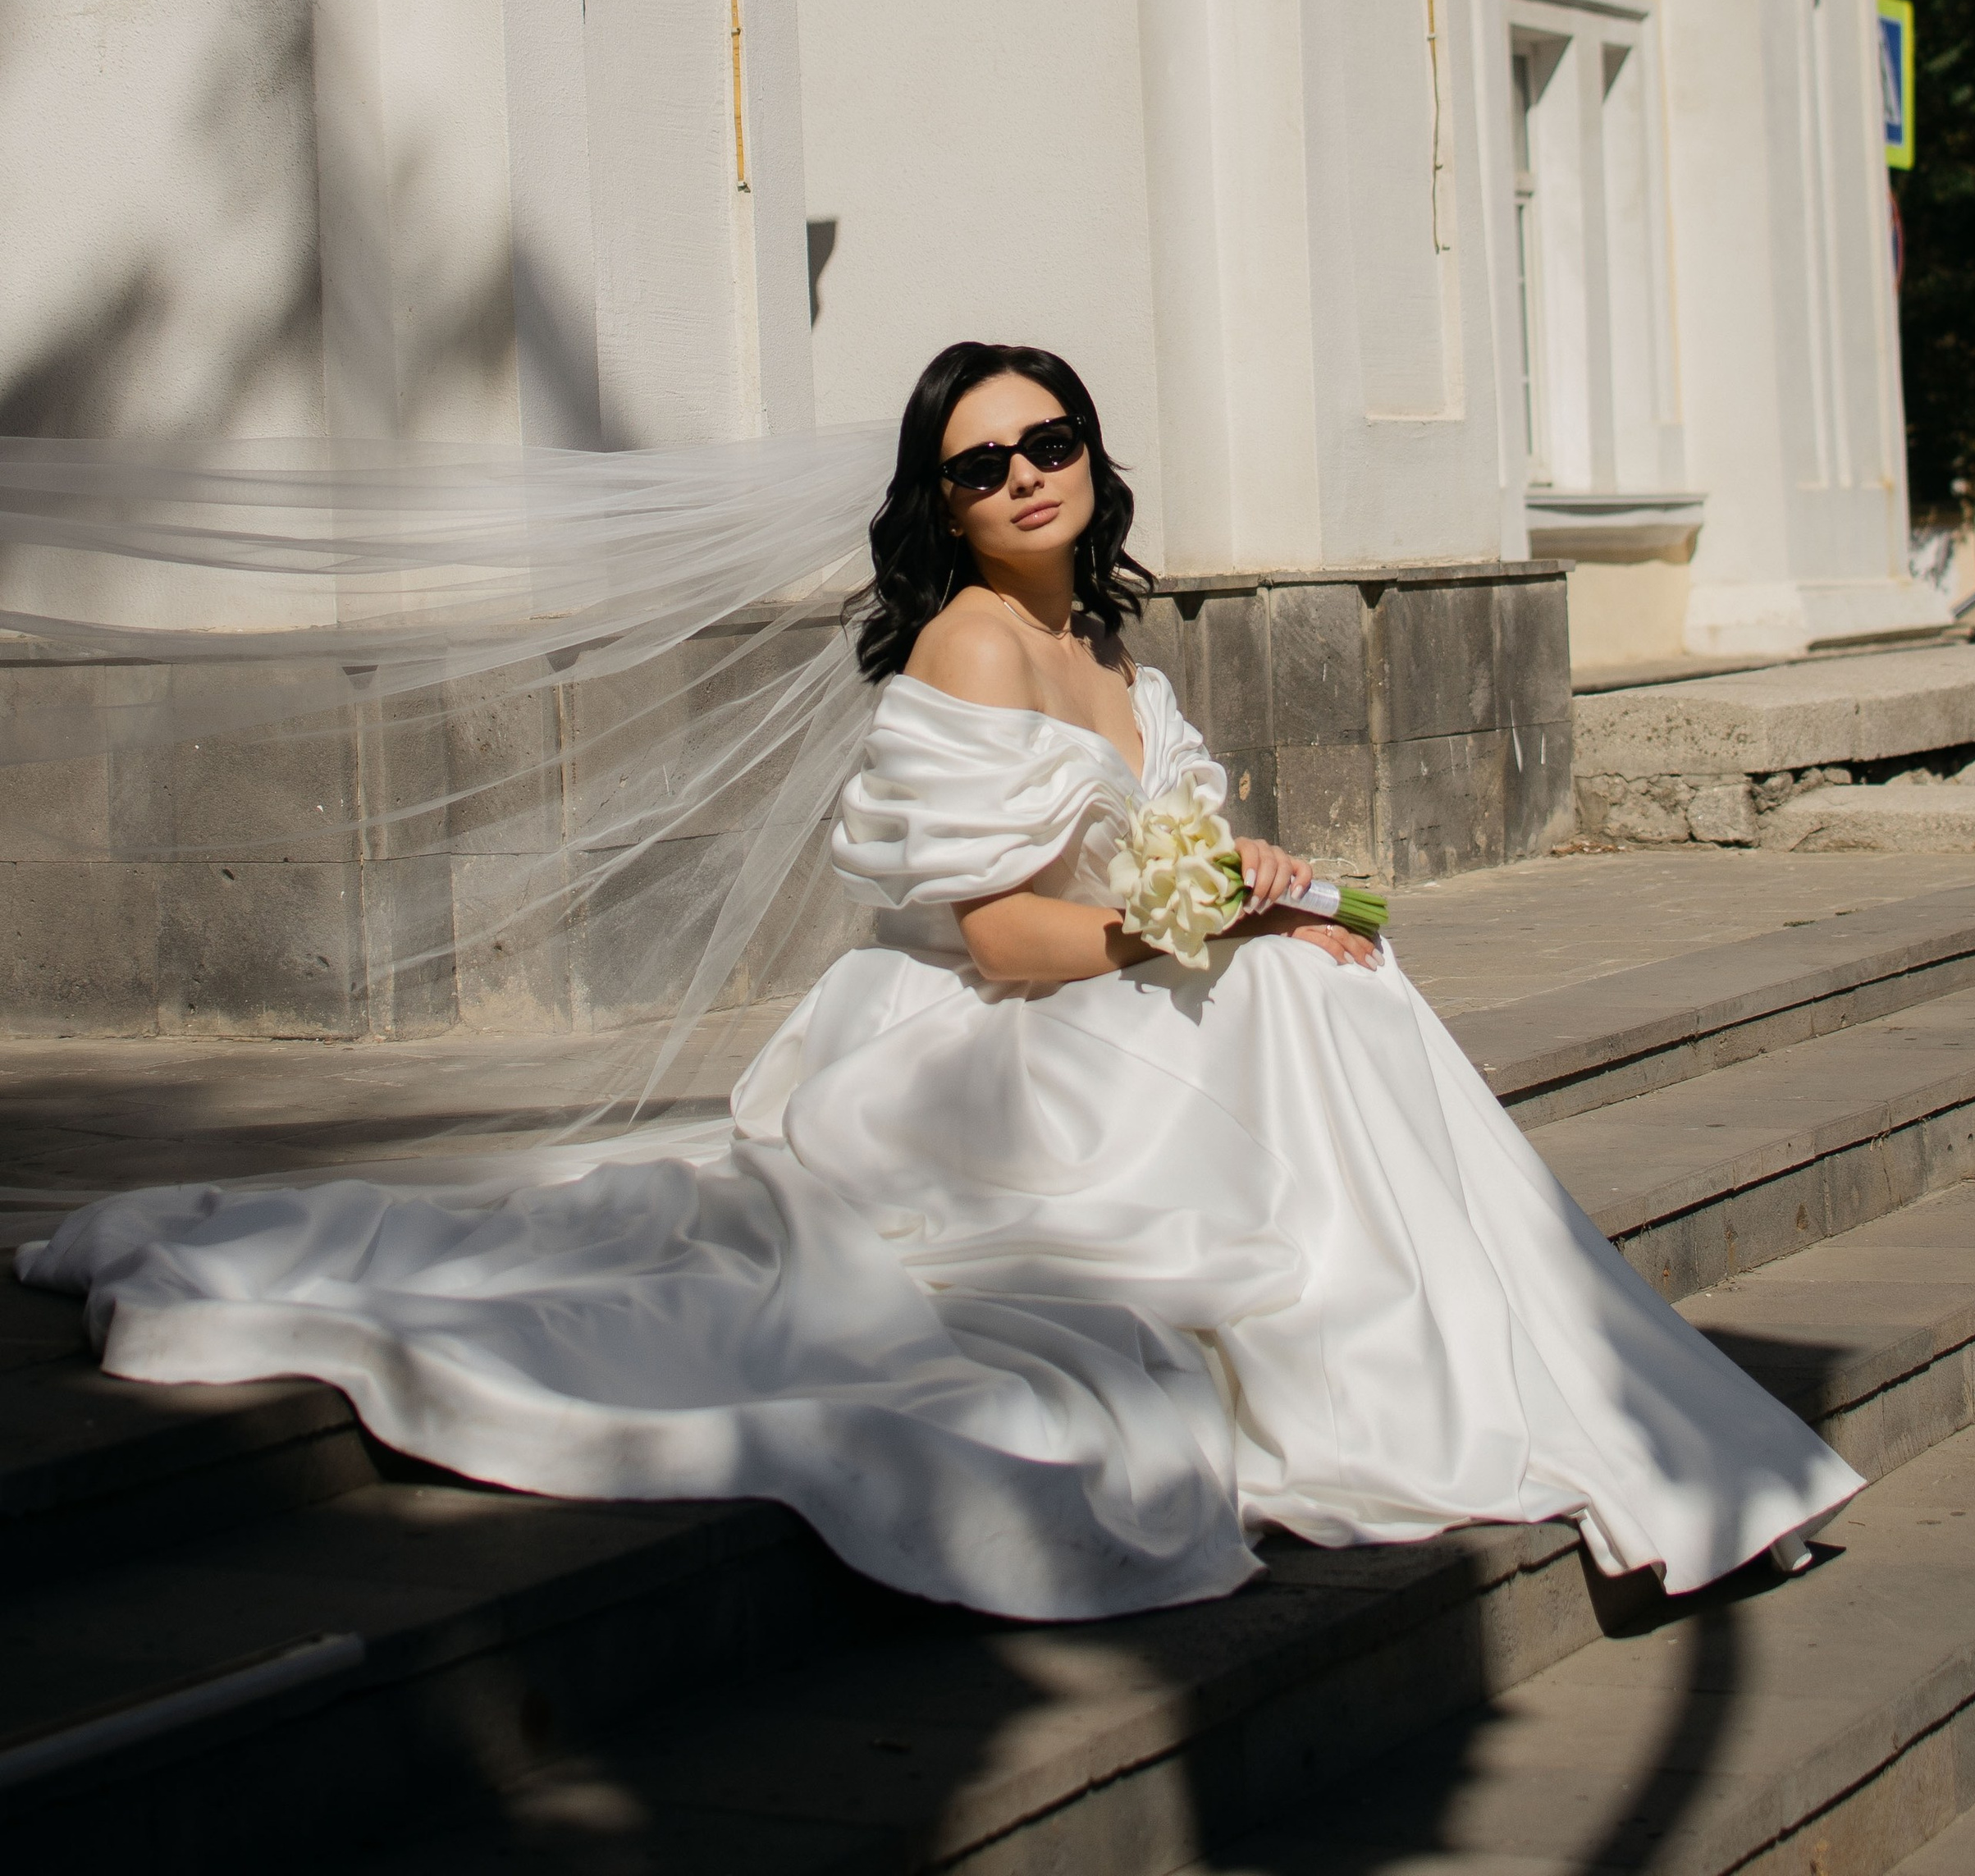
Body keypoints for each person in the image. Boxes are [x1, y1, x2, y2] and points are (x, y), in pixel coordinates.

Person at [19, 341, 1858, 1622]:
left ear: (1090, 452)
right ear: (941, 502)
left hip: (1108, 997)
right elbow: (1005, 940)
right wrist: (1199, 922)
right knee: (1309, 1001)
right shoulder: (967, 659)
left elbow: (1170, 847)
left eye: (1045, 441)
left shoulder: (1108, 648)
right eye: (979, 464)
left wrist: (1264, 891)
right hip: (979, 1044)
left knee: (1337, 972)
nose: (1023, 476)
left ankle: (1524, 1374)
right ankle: (1478, 1387)